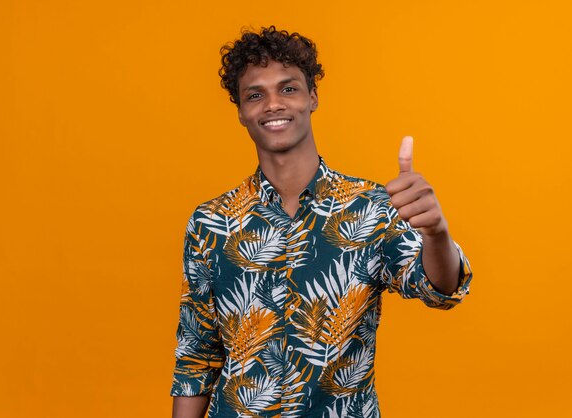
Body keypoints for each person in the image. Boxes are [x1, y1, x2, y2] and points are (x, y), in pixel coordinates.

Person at [170, 26, 472, 418]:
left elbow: (440, 290)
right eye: (255, 95)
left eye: (289, 88)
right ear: (241, 111)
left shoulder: (372, 209)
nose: (273, 104)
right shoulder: (211, 222)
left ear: (312, 97)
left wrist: (436, 233)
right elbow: (196, 357)